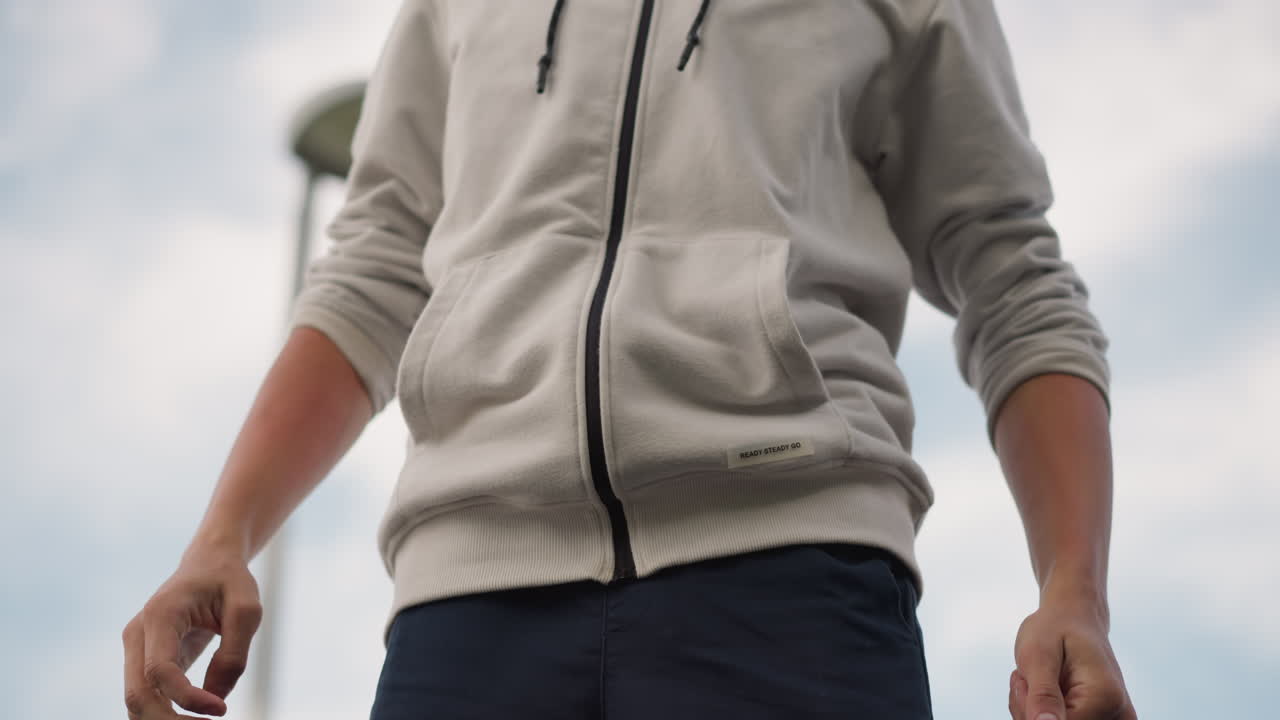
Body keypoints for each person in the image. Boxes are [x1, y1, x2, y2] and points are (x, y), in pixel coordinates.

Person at [122, 1, 1138, 718]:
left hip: (790, 591)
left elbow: (1014, 285)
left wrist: (1072, 595)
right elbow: (376, 268)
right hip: (466, 613)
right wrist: (222, 537)